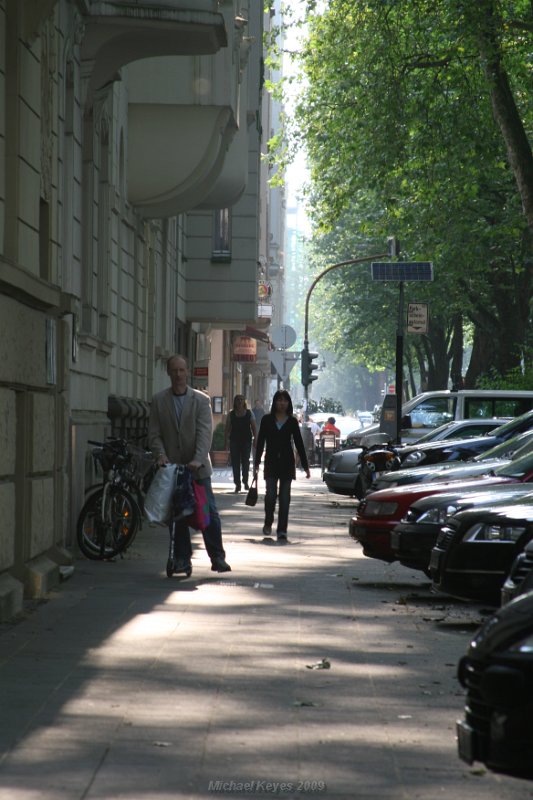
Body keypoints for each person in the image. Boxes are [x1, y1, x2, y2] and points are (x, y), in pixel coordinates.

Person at [148, 354, 231, 573]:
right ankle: (182, 559)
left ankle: (217, 557)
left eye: (182, 370)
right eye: (174, 371)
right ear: (169, 373)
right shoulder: (158, 401)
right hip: (173, 469)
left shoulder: (201, 400)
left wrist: (197, 458)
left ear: (187, 372)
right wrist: (161, 455)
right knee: (179, 515)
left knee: (209, 511)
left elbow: (205, 433)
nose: (178, 375)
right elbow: (154, 434)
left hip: (198, 469)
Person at [253, 390, 310, 542]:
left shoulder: (292, 421)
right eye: (279, 400)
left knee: (285, 498)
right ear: (275, 402)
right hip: (271, 462)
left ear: (289, 403)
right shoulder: (266, 420)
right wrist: (256, 463)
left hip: (286, 463)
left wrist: (305, 465)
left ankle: (282, 530)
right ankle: (268, 520)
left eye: (285, 400)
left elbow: (299, 443)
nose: (282, 403)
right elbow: (260, 443)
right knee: (270, 495)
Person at [225, 395, 257, 492]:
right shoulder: (231, 414)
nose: (239, 401)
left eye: (241, 400)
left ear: (244, 402)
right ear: (234, 402)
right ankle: (237, 484)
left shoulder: (249, 413)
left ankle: (245, 481)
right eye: (237, 400)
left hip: (246, 441)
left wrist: (255, 439)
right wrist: (226, 442)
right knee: (235, 463)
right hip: (234, 441)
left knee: (245, 462)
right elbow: (227, 429)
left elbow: (254, 427)